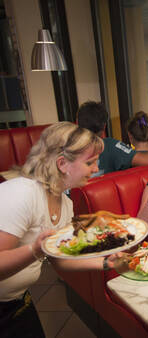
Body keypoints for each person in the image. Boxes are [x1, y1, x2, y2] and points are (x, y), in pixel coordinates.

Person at [0, 122, 128, 337]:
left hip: (17, 301)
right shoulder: (22, 194)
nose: (96, 169)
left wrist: (107, 262)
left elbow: (59, 258)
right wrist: (35, 250)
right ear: (62, 164)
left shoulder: (65, 204)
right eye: (90, 162)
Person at [77, 101, 148, 175]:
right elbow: (146, 160)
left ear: (77, 123)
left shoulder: (68, 149)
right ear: (104, 126)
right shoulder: (109, 145)